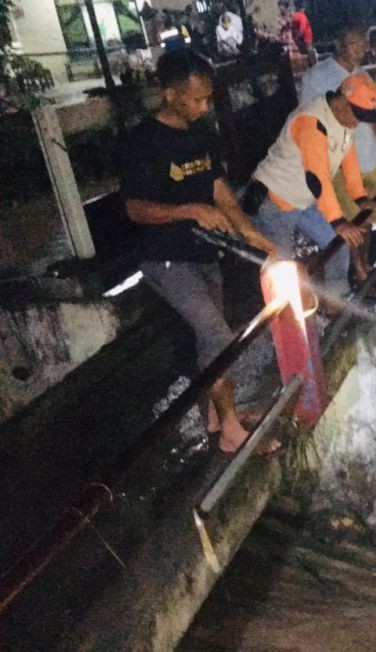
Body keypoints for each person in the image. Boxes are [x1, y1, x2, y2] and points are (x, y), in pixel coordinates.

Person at [120, 50, 280, 455]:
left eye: (207, 98)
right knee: (218, 336)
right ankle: (230, 430)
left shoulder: (202, 133)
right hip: (165, 257)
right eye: (195, 99)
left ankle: (213, 415)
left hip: (206, 254)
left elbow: (219, 191)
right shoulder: (143, 141)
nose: (203, 106)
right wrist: (188, 211)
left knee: (210, 340)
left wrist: (249, 232)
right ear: (169, 94)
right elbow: (135, 208)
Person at [245, 74, 376, 307]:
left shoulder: (343, 120)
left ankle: (335, 302)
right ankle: (287, 327)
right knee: (283, 271)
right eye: (357, 114)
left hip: (304, 200)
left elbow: (348, 159)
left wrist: (360, 198)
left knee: (336, 243)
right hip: (275, 201)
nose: (357, 122)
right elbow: (317, 178)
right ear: (342, 101)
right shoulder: (312, 122)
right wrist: (338, 221)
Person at [299, 28, 376, 295]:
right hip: (340, 160)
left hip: (368, 156)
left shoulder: (362, 76)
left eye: (362, 45)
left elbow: (373, 120)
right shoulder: (317, 77)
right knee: (351, 220)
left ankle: (366, 263)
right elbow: (308, 120)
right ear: (339, 44)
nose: (359, 50)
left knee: (368, 217)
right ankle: (360, 274)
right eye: (353, 44)